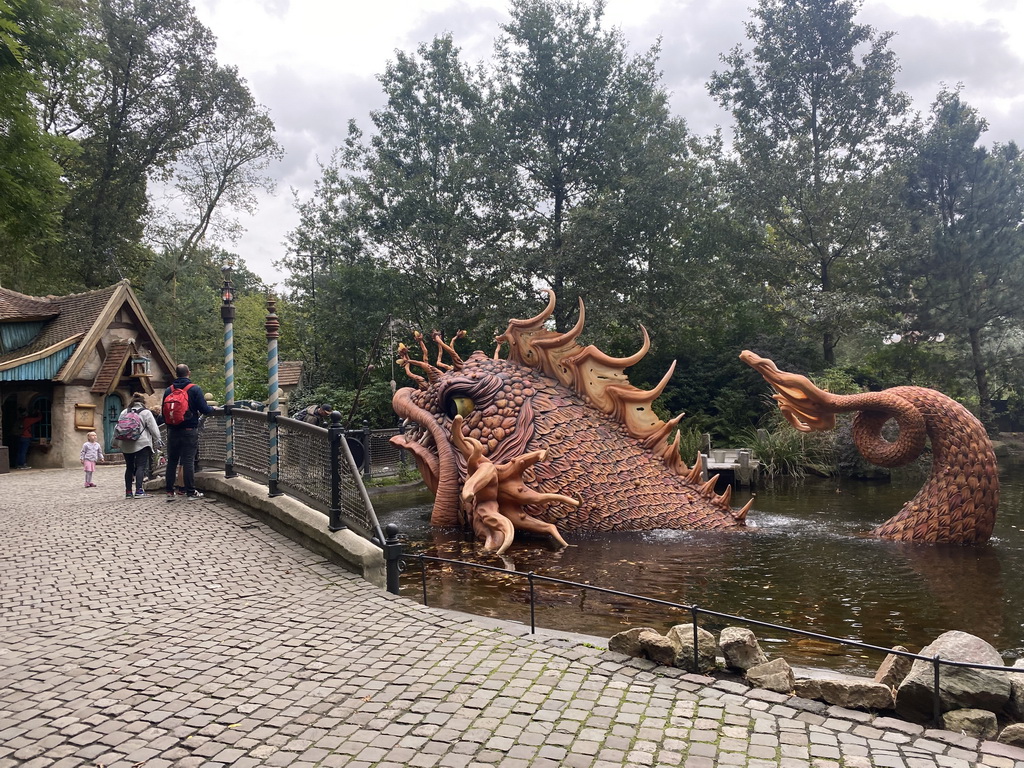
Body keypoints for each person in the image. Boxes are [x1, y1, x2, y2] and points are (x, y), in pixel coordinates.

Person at [162, 364, 213, 500]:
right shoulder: (194, 389)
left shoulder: (168, 390)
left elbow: (163, 413)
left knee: (172, 461)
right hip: (189, 430)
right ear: (188, 373)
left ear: (176, 374)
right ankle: (190, 492)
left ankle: (169, 491)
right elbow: (204, 409)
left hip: (172, 431)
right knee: (188, 460)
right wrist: (213, 409)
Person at [116, 394, 162, 499]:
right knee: (141, 466)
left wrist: (115, 442)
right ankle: (139, 491)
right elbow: (153, 428)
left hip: (126, 443)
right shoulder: (146, 413)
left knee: (129, 467)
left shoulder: (124, 412)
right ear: (142, 402)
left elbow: (118, 427)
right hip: (142, 443)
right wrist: (158, 439)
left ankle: (128, 492)